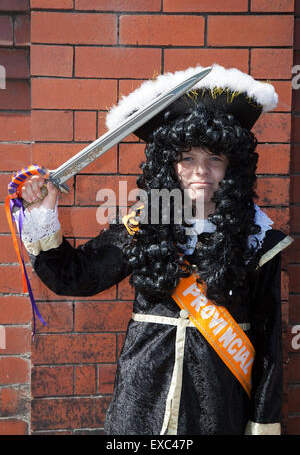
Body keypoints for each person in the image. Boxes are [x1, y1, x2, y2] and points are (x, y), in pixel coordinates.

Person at [15, 64, 294, 435]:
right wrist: (44, 211)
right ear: (170, 165)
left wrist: (261, 422)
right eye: (187, 158)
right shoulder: (144, 224)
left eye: (215, 159)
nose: (201, 171)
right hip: (142, 403)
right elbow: (77, 277)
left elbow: (269, 342)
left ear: (233, 167)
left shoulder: (259, 240)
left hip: (218, 409)